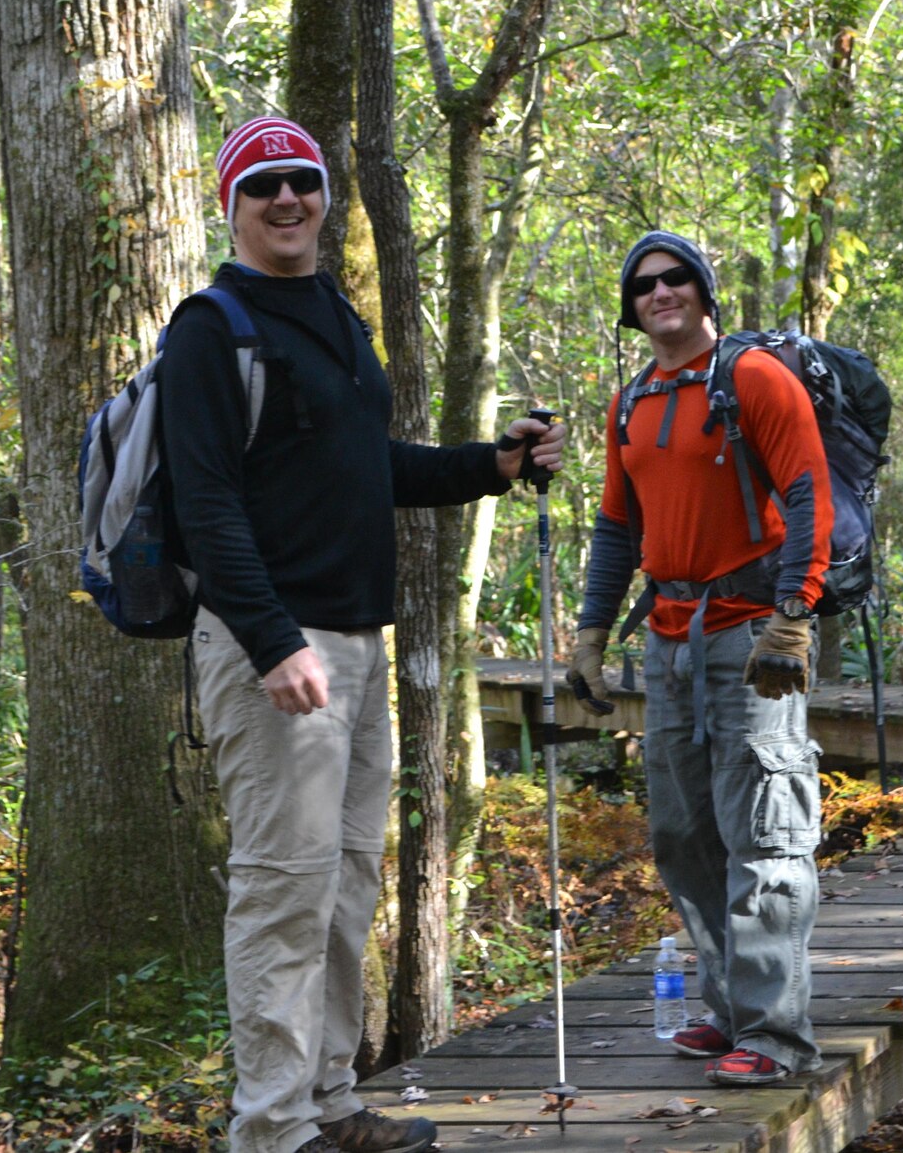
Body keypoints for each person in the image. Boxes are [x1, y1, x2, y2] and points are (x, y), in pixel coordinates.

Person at [160, 116, 565, 1153]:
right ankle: (272, 1130)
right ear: (230, 206)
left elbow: (366, 467)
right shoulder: (211, 327)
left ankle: (329, 1101)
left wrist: (492, 465)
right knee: (282, 891)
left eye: (301, 181)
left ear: (324, 196)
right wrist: (268, 639)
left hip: (355, 642)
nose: (286, 199)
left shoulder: (333, 313)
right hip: (279, 653)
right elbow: (205, 502)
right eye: (263, 187)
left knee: (343, 885)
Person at [570, 230, 832, 1086]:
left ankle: (777, 1033)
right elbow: (618, 527)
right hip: (670, 635)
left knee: (764, 826)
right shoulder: (631, 401)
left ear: (704, 290)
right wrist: (589, 633)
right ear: (631, 304)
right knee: (683, 831)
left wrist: (793, 617)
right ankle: (729, 1010)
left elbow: (807, 488)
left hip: (754, 629)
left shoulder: (753, 378)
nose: (661, 292)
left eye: (677, 278)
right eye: (644, 284)